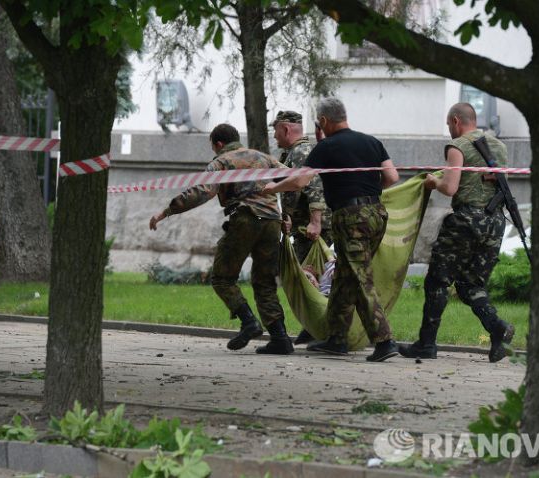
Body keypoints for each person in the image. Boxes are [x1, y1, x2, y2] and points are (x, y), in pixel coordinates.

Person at [263, 97, 400, 362]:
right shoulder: (372, 142)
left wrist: (274, 188)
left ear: (324, 121)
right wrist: (366, 193)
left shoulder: (326, 147)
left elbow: (301, 181)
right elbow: (392, 178)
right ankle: (336, 339)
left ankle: (384, 341)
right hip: (377, 214)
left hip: (350, 217)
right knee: (345, 275)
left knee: (359, 276)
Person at [149, 124, 293, 355]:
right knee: (265, 281)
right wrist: (287, 216)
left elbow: (201, 192)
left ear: (217, 144)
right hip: (272, 223)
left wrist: (166, 212)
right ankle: (281, 338)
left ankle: (249, 322)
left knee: (222, 278)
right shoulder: (264, 158)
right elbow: (294, 179)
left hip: (245, 220)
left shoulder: (222, 162)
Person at [398, 103, 515, 363]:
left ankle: (427, 344)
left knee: (437, 281)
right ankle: (498, 328)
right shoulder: (499, 146)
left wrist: (432, 181)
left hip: (465, 222)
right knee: (470, 284)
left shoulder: (458, 146)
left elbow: (450, 188)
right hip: (494, 222)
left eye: (448, 125)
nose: (449, 130)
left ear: (455, 121)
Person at [270, 110, 333, 345]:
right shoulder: (293, 152)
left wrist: (315, 221)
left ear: (286, 129)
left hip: (312, 228)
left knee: (308, 279)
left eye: (276, 130)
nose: (274, 135)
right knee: (307, 278)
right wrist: (288, 217)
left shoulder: (301, 151)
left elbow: (313, 184)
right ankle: (314, 327)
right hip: (302, 226)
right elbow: (294, 191)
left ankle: (321, 329)